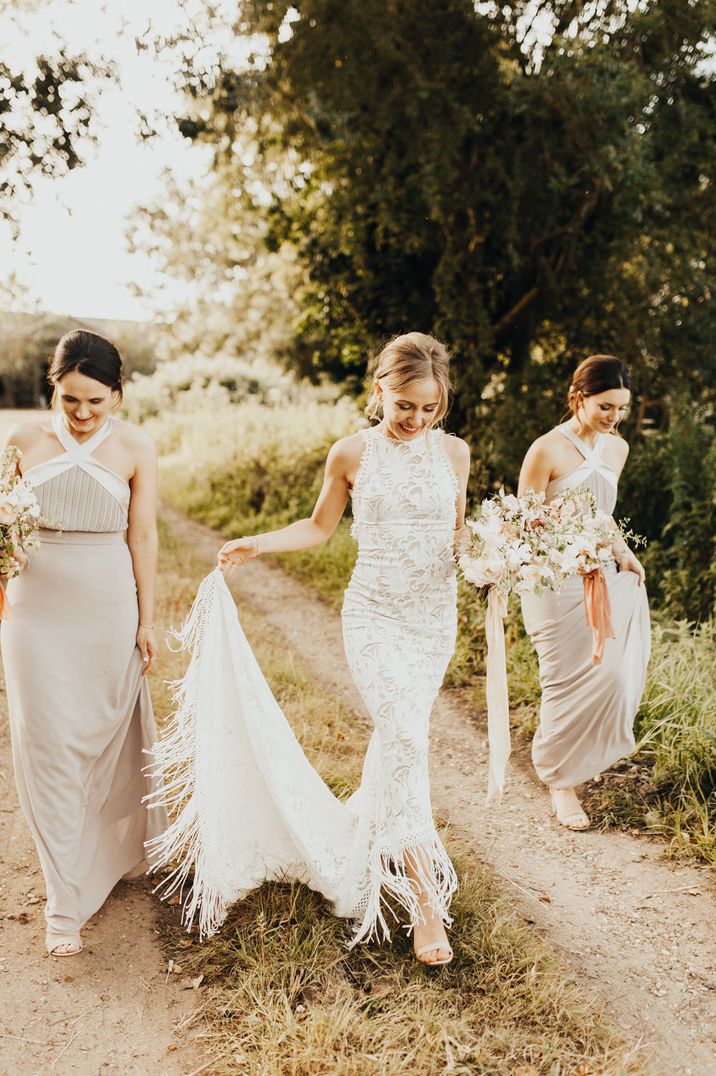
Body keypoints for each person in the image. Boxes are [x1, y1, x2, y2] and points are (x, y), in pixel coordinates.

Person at [153, 332, 469, 967]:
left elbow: (457, 533)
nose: (415, 419)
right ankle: (425, 897)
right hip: (375, 618)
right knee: (406, 736)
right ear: (380, 388)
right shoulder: (351, 453)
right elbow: (320, 527)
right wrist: (257, 543)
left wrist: (492, 561)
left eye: (429, 408)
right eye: (404, 404)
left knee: (397, 738)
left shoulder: (455, 453)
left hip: (434, 619)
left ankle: (381, 836)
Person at [0, 330, 167, 957]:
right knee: (46, 745)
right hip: (32, 614)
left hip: (106, 608)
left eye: (96, 401)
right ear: (55, 387)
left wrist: (146, 621)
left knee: (100, 738)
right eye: (71, 399)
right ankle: (63, 905)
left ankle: (108, 851)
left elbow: (143, 536)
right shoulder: (21, 441)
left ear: (118, 394)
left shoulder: (135, 445)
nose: (82, 413)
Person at [518, 354, 651, 830]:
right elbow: (524, 521)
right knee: (561, 681)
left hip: (598, 572)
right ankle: (560, 782)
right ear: (579, 397)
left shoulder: (618, 450)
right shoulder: (546, 450)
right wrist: (560, 549)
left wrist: (622, 552)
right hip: (551, 581)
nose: (614, 417)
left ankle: (586, 755)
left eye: (621, 408)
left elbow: (602, 513)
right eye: (605, 407)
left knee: (612, 674)